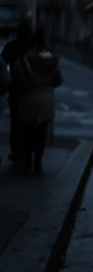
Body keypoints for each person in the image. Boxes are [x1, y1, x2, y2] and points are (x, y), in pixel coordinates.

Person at [10, 26, 62, 175]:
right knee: (41, 133)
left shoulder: (26, 58)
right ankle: (38, 162)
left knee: (27, 132)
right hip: (46, 100)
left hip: (28, 99)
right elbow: (58, 80)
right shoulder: (52, 58)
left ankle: (28, 161)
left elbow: (17, 77)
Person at [1, 21, 33, 165]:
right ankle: (28, 154)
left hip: (15, 89)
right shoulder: (34, 48)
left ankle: (16, 153)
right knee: (31, 124)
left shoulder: (10, 47)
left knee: (16, 123)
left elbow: (2, 66)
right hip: (33, 90)